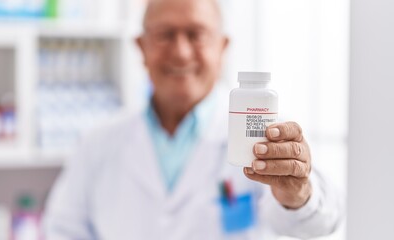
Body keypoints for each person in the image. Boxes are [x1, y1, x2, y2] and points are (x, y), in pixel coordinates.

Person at [43, 0, 342, 239]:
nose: (182, 52)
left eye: (196, 34)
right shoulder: (98, 143)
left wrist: (298, 193)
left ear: (222, 47)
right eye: (165, 35)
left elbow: (320, 223)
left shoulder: (266, 132)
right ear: (141, 48)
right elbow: (63, 230)